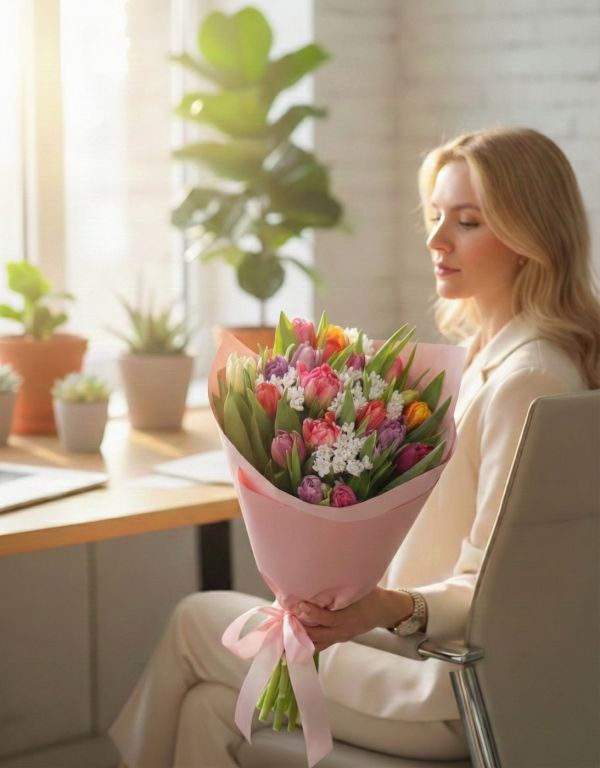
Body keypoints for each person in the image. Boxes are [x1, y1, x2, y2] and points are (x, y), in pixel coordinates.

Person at [110, 127, 600, 767]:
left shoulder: (528, 377)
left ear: (530, 236)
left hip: (447, 687)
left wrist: (376, 607)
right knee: (207, 711)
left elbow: (498, 589)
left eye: (469, 222)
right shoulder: (496, 353)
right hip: (414, 656)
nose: (436, 240)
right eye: (435, 216)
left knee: (195, 621)